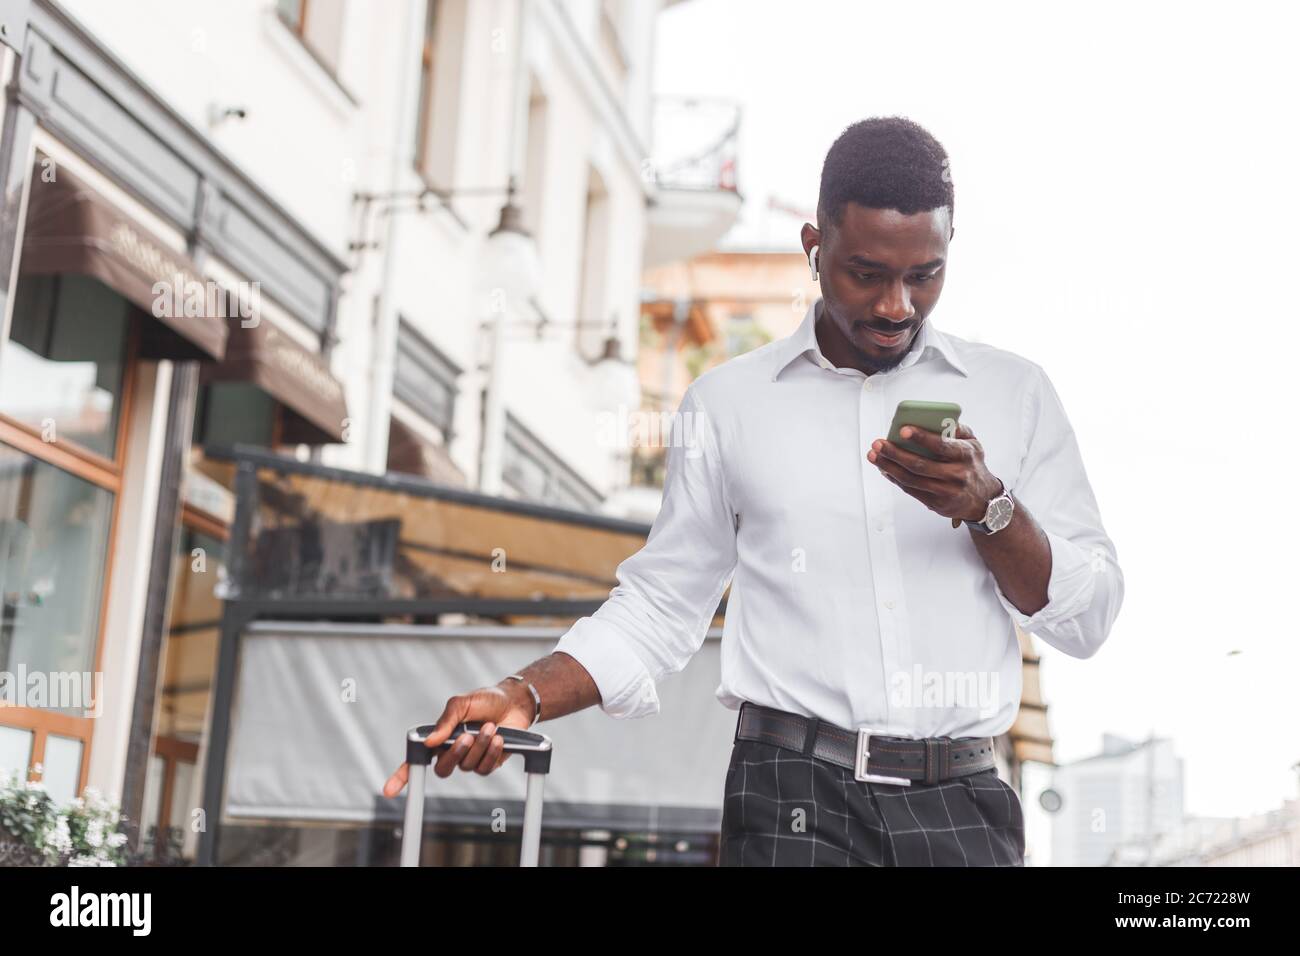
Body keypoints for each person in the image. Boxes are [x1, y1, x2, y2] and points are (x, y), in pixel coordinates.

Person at [382, 116, 1124, 866]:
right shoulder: (728, 405)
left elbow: (1089, 616)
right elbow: (660, 605)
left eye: (923, 275)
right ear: (814, 247)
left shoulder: (1015, 394)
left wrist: (990, 509)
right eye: (866, 273)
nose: (896, 305)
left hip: (962, 801)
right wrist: (524, 693)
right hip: (793, 796)